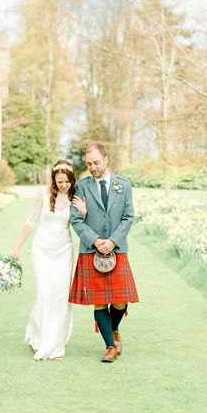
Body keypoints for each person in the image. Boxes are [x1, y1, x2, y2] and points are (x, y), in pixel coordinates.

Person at [11, 159, 87, 360]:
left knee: (60, 296)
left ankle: (56, 346)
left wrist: (84, 211)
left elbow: (83, 224)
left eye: (67, 182)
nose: (63, 186)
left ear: (72, 179)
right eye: (59, 182)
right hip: (42, 249)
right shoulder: (43, 194)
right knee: (45, 293)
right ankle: (38, 338)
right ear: (54, 179)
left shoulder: (75, 197)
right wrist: (18, 247)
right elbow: (31, 221)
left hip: (64, 251)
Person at [69, 143, 139, 363]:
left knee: (119, 301)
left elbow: (128, 216)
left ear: (106, 159)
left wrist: (113, 241)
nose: (93, 167)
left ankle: (114, 328)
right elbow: (76, 219)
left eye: (96, 163)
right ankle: (110, 346)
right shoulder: (81, 187)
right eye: (89, 164)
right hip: (91, 250)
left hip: (117, 250)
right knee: (99, 302)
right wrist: (96, 240)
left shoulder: (123, 185)